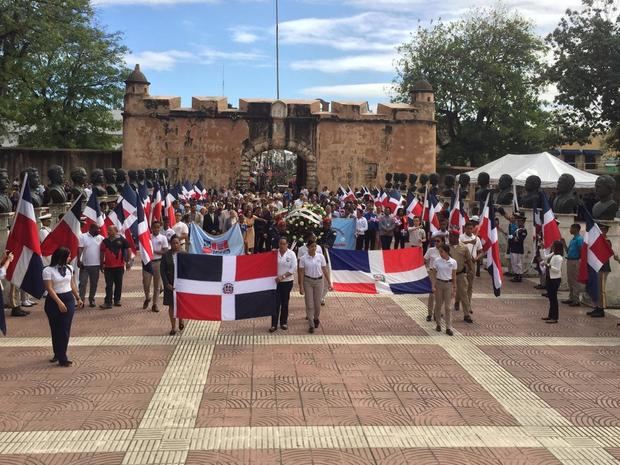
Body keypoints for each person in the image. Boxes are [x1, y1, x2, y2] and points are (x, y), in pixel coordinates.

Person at [43, 247, 84, 367]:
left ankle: (63, 357)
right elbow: (49, 288)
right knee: (55, 329)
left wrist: (78, 297)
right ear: (62, 257)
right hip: (53, 301)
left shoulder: (69, 268)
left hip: (68, 299)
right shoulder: (48, 270)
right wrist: (59, 302)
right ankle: (58, 353)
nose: (70, 258)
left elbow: (71, 284)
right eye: (69, 256)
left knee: (65, 329)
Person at [298, 240, 333, 333]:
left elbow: (324, 270)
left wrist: (329, 282)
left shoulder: (320, 257)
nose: (314, 248)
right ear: (308, 247)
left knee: (317, 304)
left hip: (319, 282)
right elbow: (301, 272)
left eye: (315, 246)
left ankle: (316, 318)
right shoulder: (303, 258)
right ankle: (311, 324)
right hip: (307, 281)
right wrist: (301, 286)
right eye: (312, 246)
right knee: (309, 304)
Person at [99, 225, 131, 309]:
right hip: (108, 267)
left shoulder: (122, 240)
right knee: (108, 285)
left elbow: (128, 249)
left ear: (116, 231)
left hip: (119, 266)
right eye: (108, 230)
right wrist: (101, 263)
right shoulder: (105, 241)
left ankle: (117, 300)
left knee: (118, 284)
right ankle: (108, 302)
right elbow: (102, 252)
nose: (109, 231)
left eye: (110, 230)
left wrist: (128, 261)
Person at [160, 235, 186, 335]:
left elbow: (188, 269)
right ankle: (173, 327)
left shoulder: (184, 254)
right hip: (170, 284)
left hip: (181, 284)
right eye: (173, 243)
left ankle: (181, 320)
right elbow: (162, 271)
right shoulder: (166, 255)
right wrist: (166, 284)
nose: (175, 245)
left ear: (180, 243)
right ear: (170, 244)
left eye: (177, 243)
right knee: (171, 305)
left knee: (180, 304)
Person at [270, 237, 297, 332]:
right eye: (280, 243)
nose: (282, 246)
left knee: (285, 303)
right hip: (276, 283)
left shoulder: (291, 254)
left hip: (287, 282)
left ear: (287, 244)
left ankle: (283, 322)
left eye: (284, 244)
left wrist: (283, 276)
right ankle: (274, 324)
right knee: (275, 303)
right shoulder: (274, 253)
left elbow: (293, 268)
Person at [143, 221, 168, 313]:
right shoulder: (147, 237)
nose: (156, 229)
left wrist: (155, 251)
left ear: (160, 228)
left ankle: (155, 304)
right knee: (146, 283)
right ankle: (147, 297)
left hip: (158, 262)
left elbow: (165, 251)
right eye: (155, 227)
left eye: (158, 227)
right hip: (148, 263)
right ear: (152, 228)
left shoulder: (163, 238)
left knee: (157, 285)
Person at [449, 231, 474, 323]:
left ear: (456, 237)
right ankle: (437, 312)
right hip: (447, 275)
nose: (450, 238)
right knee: (443, 294)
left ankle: (466, 314)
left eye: (451, 236)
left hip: (459, 274)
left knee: (464, 294)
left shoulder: (464, 248)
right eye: (449, 236)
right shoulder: (446, 247)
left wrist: (471, 270)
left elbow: (468, 260)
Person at [433, 243, 457, 336]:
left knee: (448, 307)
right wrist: (433, 285)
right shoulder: (437, 261)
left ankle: (448, 327)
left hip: (448, 284)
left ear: (446, 252)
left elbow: (454, 276)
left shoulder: (453, 262)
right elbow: (433, 273)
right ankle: (438, 324)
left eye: (442, 251)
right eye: (440, 251)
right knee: (438, 305)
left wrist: (454, 287)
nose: (440, 253)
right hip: (439, 283)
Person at [78, 223, 104, 307]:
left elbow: (103, 252)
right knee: (82, 283)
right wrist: (79, 260)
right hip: (85, 265)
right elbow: (80, 249)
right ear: (91, 228)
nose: (99, 230)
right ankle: (81, 300)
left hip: (96, 265)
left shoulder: (101, 238)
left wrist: (102, 263)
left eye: (99, 229)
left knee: (94, 283)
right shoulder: (83, 236)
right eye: (97, 229)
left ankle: (91, 299)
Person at [459, 221, 482, 308]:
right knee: (462, 285)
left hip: (472, 263)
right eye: (468, 228)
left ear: (473, 229)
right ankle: (458, 300)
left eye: (471, 229)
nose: (469, 230)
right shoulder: (461, 237)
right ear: (465, 228)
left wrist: (476, 258)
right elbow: (458, 245)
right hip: (462, 263)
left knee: (470, 285)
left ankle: (468, 303)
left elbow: (481, 251)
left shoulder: (477, 239)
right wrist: (469, 242)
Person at [542, 240, 564, 324]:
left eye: (553, 245)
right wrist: (542, 248)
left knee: (553, 298)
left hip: (555, 279)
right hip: (550, 277)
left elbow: (557, 269)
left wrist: (549, 265)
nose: (551, 246)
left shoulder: (558, 257)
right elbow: (544, 257)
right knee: (551, 298)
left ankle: (555, 317)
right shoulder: (553, 254)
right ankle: (550, 315)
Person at [424, 235, 444, 322]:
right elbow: (424, 260)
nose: (436, 243)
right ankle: (429, 313)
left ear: (442, 242)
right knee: (432, 294)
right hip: (432, 273)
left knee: (440, 295)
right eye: (435, 241)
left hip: (441, 273)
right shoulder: (431, 250)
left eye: (438, 241)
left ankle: (437, 313)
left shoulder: (445, 251)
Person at [562, 224, 583, 307]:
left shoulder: (579, 239)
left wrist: (580, 261)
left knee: (575, 280)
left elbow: (581, 250)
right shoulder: (572, 240)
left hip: (575, 261)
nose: (570, 229)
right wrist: (564, 244)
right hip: (570, 260)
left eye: (571, 228)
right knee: (570, 280)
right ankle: (571, 297)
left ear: (576, 229)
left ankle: (576, 299)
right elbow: (568, 251)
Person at [509, 215, 527, 282]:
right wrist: (513, 238)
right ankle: (516, 275)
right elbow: (511, 238)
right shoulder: (517, 229)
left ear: (523, 222)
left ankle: (519, 276)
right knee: (514, 262)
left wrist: (513, 238)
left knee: (518, 263)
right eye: (518, 221)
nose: (519, 223)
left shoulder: (524, 231)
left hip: (519, 249)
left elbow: (520, 239)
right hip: (513, 248)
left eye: (520, 221)